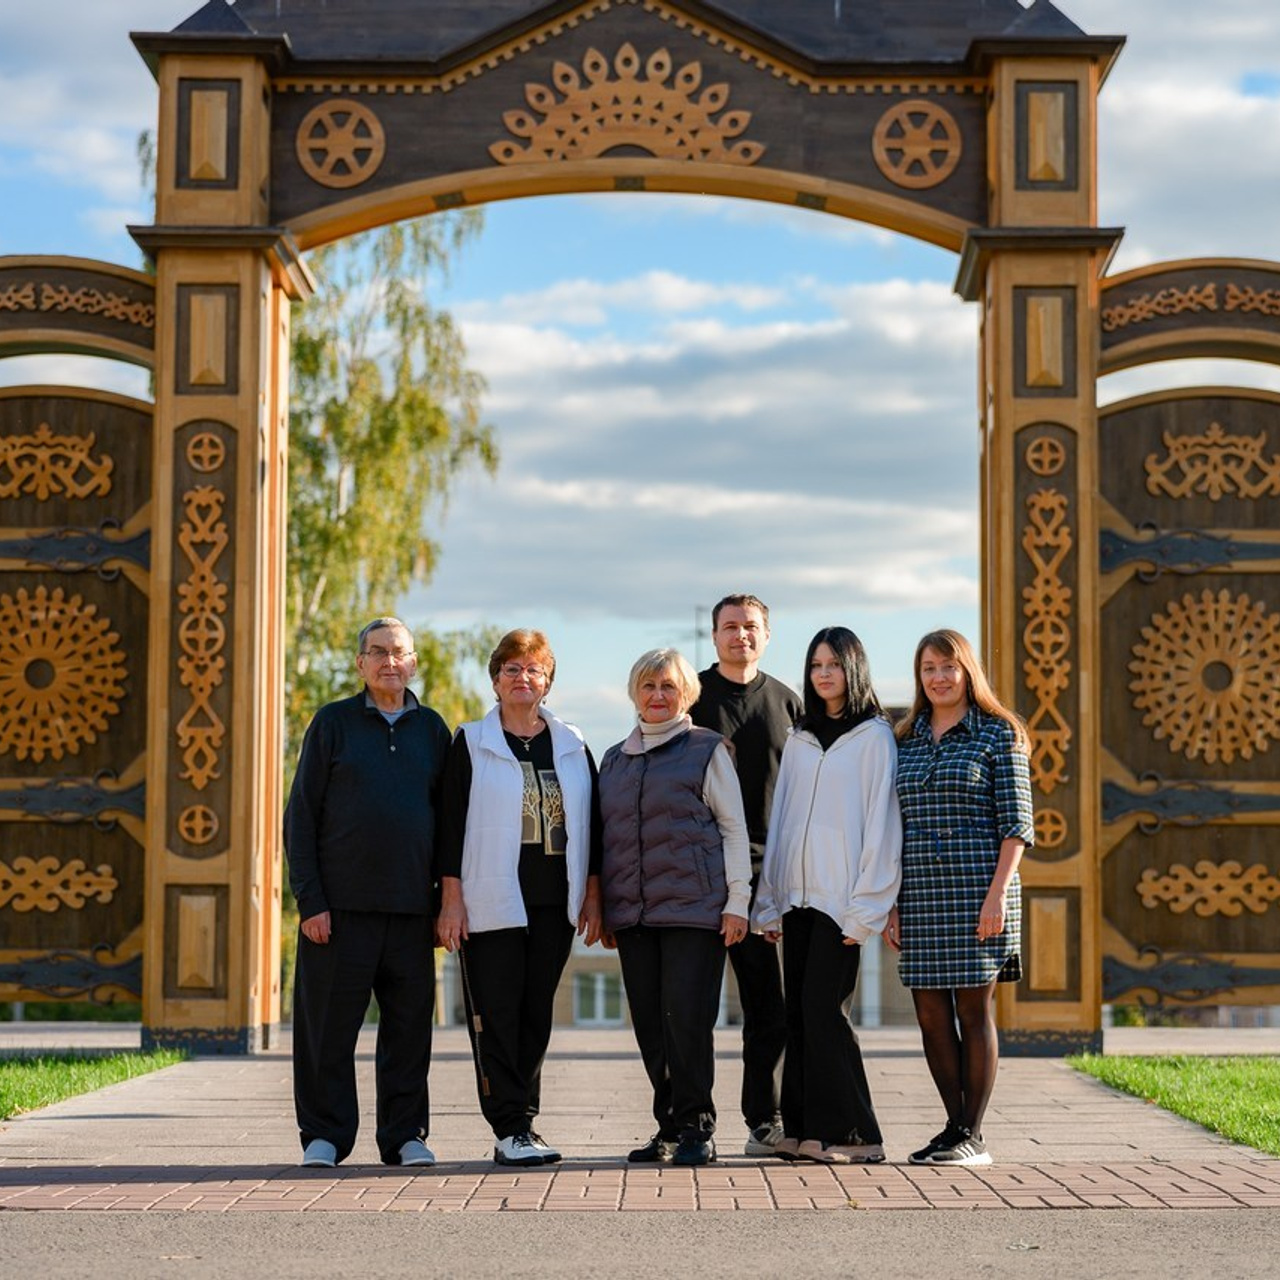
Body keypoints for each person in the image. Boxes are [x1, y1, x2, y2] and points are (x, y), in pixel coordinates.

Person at [284, 616, 451, 1169]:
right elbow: (301, 817)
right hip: (338, 913)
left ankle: (405, 1136)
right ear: (360, 664)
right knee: (326, 1032)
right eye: (376, 652)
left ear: (412, 662)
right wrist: (311, 902)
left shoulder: (432, 730)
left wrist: (445, 902)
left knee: (407, 1035)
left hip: (411, 913)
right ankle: (324, 1137)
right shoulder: (332, 724)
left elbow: (451, 825)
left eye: (398, 652)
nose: (388, 662)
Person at [435, 629, 602, 1167]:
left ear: (548, 682)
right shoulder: (471, 741)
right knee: (496, 1013)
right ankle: (509, 1124)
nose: (522, 678)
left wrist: (593, 896)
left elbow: (594, 827)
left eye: (533, 670)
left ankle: (524, 1121)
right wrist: (451, 900)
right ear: (495, 679)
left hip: (555, 904)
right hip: (491, 900)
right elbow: (449, 826)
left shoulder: (573, 744)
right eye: (512, 669)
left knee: (535, 1014)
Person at [885, 628, 1034, 1168]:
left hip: (979, 891)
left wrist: (997, 897)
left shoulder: (999, 733)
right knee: (929, 1014)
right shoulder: (905, 737)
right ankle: (952, 1127)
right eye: (928, 668)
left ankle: (974, 1133)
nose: (939, 677)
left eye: (948, 666)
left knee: (973, 1012)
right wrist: (891, 902)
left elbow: (1017, 826)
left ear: (968, 671)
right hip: (921, 892)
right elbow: (890, 825)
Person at [753, 626, 901, 1165]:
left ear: (853, 669)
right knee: (799, 1014)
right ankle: (805, 1127)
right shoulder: (800, 737)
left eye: (832, 664)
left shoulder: (874, 737)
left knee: (824, 1011)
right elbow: (785, 817)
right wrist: (769, 901)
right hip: (796, 898)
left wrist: (867, 908)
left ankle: (857, 1133)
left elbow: (883, 826)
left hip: (843, 902)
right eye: (815, 664)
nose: (822, 674)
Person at [599, 648, 751, 1167]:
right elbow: (605, 838)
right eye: (648, 686)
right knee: (650, 1025)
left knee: (686, 1022)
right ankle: (667, 1126)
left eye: (668, 687)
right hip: (635, 916)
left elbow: (733, 828)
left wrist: (738, 902)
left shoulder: (706, 750)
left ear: (686, 694)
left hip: (695, 910)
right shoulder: (615, 759)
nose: (658, 696)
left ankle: (697, 1127)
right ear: (635, 694)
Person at [690, 592, 801, 1156]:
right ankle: (689, 1123)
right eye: (730, 627)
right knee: (692, 1008)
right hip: (699, 874)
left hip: (767, 877)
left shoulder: (787, 702)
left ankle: (765, 1120)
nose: (741, 636)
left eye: (751, 626)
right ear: (714, 636)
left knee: (768, 1007)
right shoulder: (691, 697)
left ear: (766, 633)